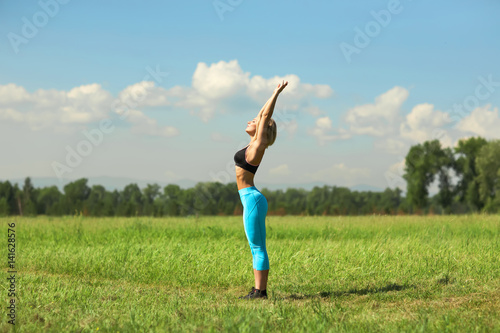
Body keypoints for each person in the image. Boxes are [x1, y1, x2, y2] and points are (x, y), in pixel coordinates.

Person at [234, 80, 288, 299]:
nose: (251, 120)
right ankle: (258, 289)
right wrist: (267, 100)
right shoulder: (252, 144)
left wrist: (276, 93)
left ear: (263, 130)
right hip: (250, 199)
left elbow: (264, 116)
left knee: (257, 247)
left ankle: (260, 292)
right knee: (254, 245)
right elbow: (261, 114)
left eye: (255, 121)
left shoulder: (259, 145)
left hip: (252, 199)